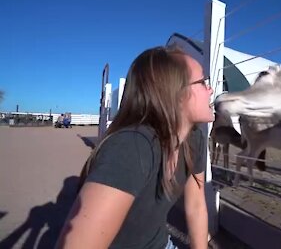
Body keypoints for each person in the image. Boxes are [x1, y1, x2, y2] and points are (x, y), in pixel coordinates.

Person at [55, 45, 214, 249]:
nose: (210, 90)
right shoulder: (133, 147)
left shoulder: (194, 139)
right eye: (202, 82)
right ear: (175, 94)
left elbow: (196, 206)